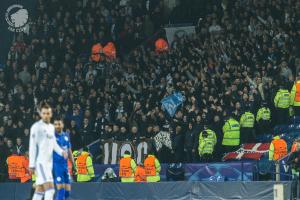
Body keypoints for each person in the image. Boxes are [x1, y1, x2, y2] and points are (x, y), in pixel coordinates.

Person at [29, 102, 68, 200]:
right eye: (44, 113)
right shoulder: (36, 127)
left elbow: (54, 143)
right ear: (41, 114)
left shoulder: (51, 128)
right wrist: (31, 164)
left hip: (49, 164)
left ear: (51, 114)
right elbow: (32, 146)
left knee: (40, 190)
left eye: (48, 113)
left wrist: (61, 151)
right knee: (50, 189)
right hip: (41, 163)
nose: (46, 115)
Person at [53, 118, 75, 200]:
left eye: (59, 124)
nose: (57, 126)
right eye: (55, 124)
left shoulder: (66, 136)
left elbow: (69, 151)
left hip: (65, 166)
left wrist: (73, 164)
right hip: (56, 166)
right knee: (61, 190)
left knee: (67, 192)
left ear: (62, 125)